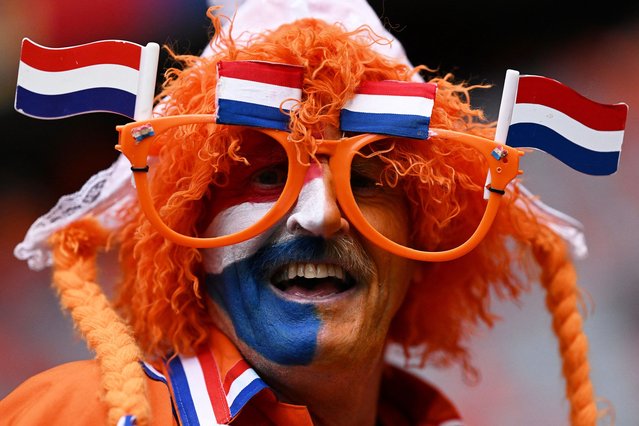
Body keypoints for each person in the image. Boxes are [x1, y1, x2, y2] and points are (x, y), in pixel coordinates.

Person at [1, 1, 620, 425]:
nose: (320, 215)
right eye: (266, 175)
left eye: (370, 180)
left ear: (427, 232)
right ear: (189, 235)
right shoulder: (74, 411)